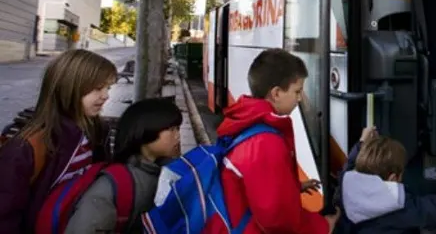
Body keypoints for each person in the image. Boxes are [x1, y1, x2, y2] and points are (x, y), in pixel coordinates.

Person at [203, 48, 340, 234]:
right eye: (297, 91)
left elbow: (257, 186)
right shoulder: (266, 142)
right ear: (276, 93)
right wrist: (323, 226)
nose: (300, 98)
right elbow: (277, 220)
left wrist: (293, 187)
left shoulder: (249, 123)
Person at [0, 49, 117, 233]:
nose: (106, 95)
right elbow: (6, 214)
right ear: (69, 87)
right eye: (98, 88)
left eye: (108, 88)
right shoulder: (27, 147)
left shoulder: (97, 131)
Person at [64, 97, 183, 233]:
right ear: (145, 130)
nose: (178, 136)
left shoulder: (173, 173)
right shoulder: (111, 186)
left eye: (178, 128)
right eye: (172, 129)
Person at [337, 127, 436, 233]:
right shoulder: (395, 208)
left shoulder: (346, 190)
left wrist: (362, 143)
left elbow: (348, 169)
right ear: (393, 179)